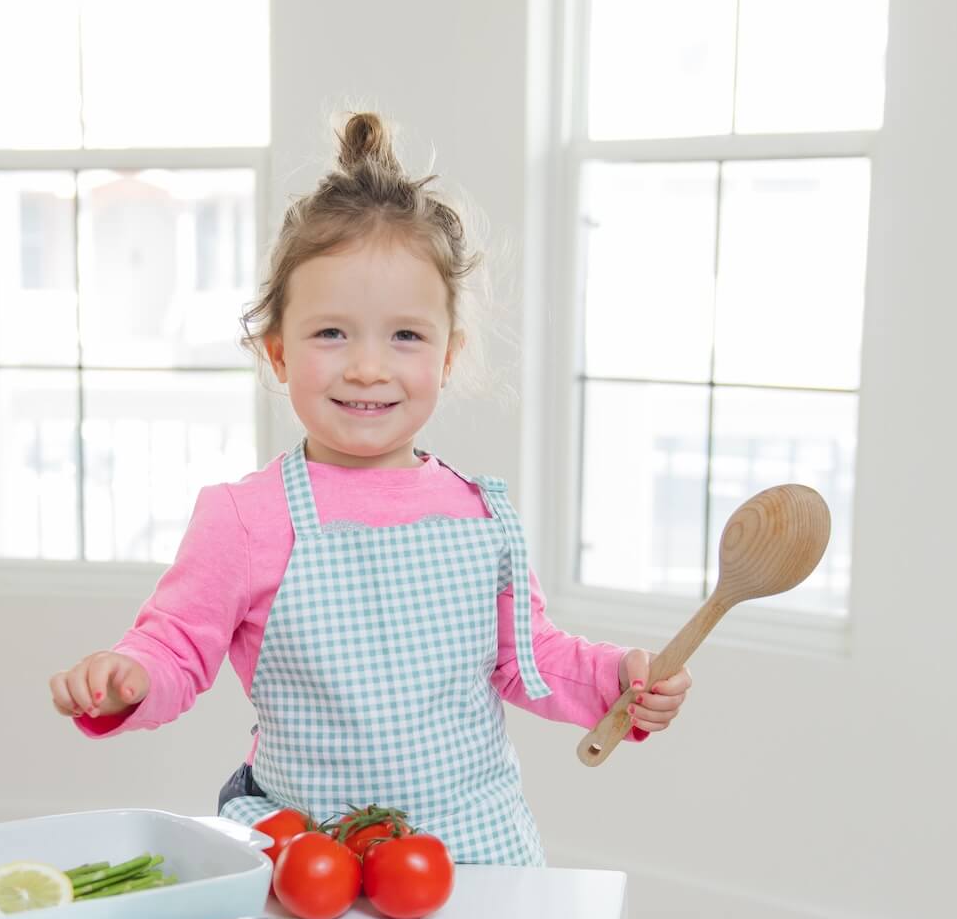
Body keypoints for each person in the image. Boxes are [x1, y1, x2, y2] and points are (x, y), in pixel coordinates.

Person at [48, 112, 690, 866]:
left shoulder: (483, 515)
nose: (366, 367)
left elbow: (530, 660)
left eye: (405, 336)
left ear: (449, 355)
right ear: (278, 351)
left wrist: (619, 680)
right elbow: (177, 648)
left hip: (471, 853)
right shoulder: (246, 519)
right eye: (332, 334)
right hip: (314, 857)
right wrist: (131, 677)